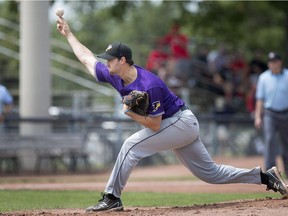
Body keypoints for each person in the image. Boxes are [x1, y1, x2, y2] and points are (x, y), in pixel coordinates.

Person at [56, 17, 288, 212]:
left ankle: (112, 198)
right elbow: (86, 58)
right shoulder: (114, 75)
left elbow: (155, 126)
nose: (106, 63)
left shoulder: (150, 84)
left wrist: (131, 113)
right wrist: (68, 34)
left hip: (179, 123)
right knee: (211, 174)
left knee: (130, 146)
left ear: (123, 61)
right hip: (176, 126)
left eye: (110, 60)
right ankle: (265, 177)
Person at [255, 52, 288, 177]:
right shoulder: (263, 77)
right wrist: (258, 116)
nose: (272, 64)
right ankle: (271, 172)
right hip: (270, 113)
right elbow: (260, 98)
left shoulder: (287, 75)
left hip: (286, 112)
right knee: (269, 140)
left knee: (287, 142)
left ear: (280, 62)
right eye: (270, 62)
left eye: (274, 61)